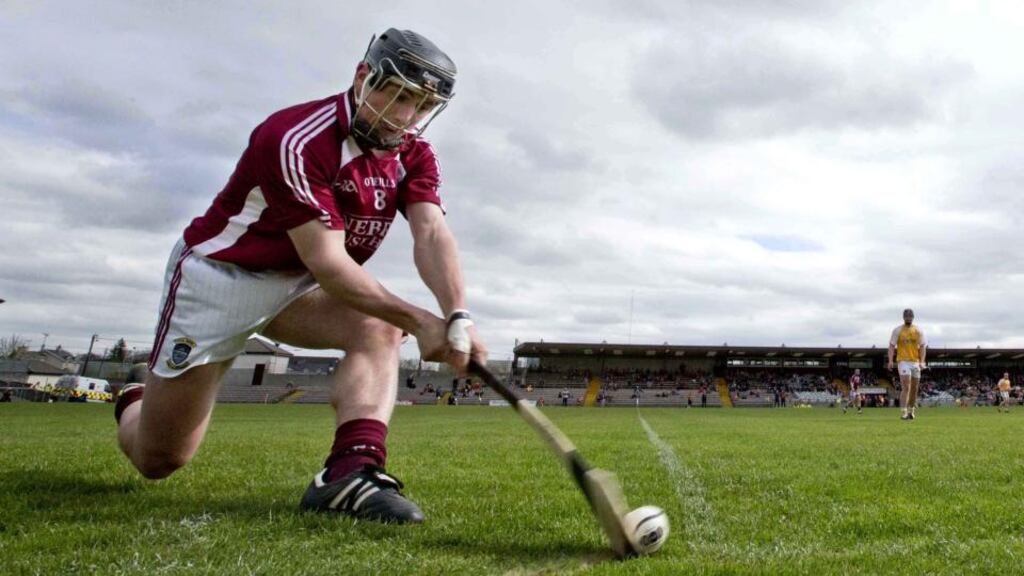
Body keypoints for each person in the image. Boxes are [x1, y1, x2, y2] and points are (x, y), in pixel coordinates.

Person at [112, 29, 486, 524]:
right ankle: (136, 400)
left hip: (297, 289)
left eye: (420, 106)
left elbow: (431, 233)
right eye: (396, 95)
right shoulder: (295, 137)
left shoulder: (414, 153)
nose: (404, 116)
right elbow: (328, 262)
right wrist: (421, 320)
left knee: (378, 326)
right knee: (159, 459)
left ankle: (349, 474)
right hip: (222, 279)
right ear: (361, 76)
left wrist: (456, 314)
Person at [888, 308, 926, 421]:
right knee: (906, 386)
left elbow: (923, 346)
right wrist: (890, 360)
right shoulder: (897, 330)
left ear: (913, 317)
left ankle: (911, 411)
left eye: (910, 316)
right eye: (906, 316)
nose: (908, 318)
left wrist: (922, 361)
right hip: (903, 361)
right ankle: (904, 412)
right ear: (903, 317)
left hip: (915, 362)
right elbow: (891, 346)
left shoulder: (918, 330)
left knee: (915, 388)